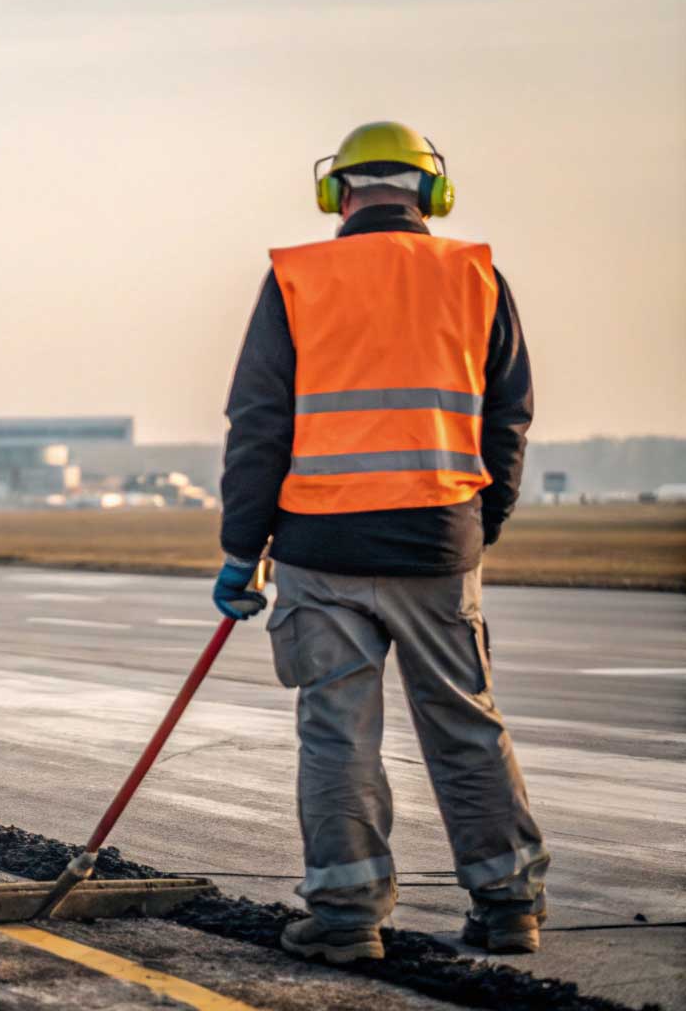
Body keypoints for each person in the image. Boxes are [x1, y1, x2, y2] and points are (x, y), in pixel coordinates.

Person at [216, 122, 546, 963]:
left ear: (339, 192)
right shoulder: (475, 275)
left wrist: (238, 547)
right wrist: (479, 526)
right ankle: (510, 907)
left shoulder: (298, 277)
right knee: (467, 728)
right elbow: (507, 419)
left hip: (320, 549)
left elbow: (259, 423)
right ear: (433, 194)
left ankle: (347, 919)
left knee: (337, 736)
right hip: (440, 542)